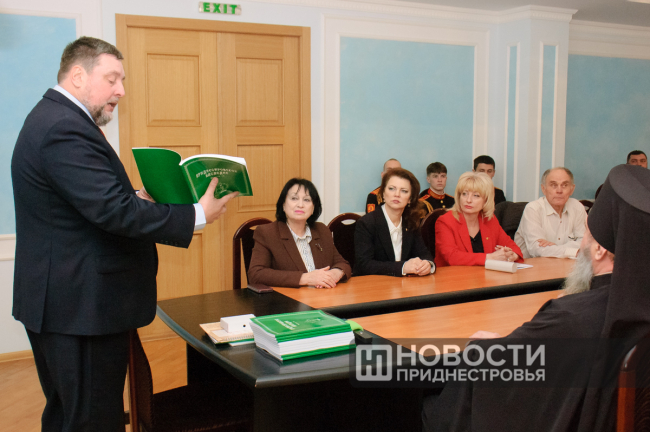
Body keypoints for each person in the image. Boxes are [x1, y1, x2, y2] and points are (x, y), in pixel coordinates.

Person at [11, 37, 237, 431]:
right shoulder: (64, 127)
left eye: (123, 80)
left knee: (68, 415)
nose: (121, 91)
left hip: (68, 303)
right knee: (93, 420)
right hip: (79, 307)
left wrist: (136, 197)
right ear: (78, 76)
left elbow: (86, 203)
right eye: (112, 79)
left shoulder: (55, 118)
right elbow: (111, 212)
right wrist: (197, 214)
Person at [423, 163, 649, 432]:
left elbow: (506, 371)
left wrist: (493, 346)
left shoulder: (569, 316)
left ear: (599, 250)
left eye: (585, 236)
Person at [248, 178, 351, 288]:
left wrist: (335, 273)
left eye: (306, 200)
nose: (300, 205)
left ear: (313, 208)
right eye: (294, 198)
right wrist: (305, 278)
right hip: (287, 298)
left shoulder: (322, 230)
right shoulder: (267, 233)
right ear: (283, 205)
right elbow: (256, 274)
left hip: (322, 296)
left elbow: (343, 264)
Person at [355, 168, 435, 276]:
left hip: (404, 284)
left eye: (404, 191)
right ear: (383, 193)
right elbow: (364, 265)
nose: (397, 194)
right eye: (392, 189)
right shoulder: (367, 223)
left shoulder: (411, 221)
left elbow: (424, 254)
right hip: (373, 283)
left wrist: (427, 264)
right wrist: (402, 267)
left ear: (410, 199)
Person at [434, 172, 522, 267]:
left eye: (476, 195)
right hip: (453, 275)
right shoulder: (445, 221)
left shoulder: (489, 220)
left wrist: (511, 255)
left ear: (486, 200)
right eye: (464, 194)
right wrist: (490, 257)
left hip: (485, 275)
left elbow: (513, 247)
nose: (468, 200)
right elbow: (452, 257)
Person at [515, 167, 586, 258]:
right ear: (543, 189)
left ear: (572, 189)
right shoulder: (533, 209)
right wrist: (573, 250)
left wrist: (554, 248)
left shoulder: (577, 207)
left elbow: (586, 242)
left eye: (564, 185)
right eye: (553, 185)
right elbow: (537, 250)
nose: (559, 191)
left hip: (566, 264)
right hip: (533, 265)